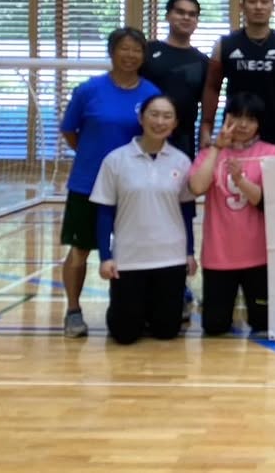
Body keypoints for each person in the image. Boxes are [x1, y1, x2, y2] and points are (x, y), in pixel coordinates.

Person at [59, 27, 161, 338]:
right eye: (124, 48)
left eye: (137, 50)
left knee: (138, 250)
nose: (130, 55)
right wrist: (95, 158)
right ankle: (73, 311)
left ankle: (136, 309)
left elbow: (156, 134)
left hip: (134, 186)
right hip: (88, 184)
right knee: (80, 250)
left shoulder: (151, 94)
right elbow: (70, 131)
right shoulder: (88, 90)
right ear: (112, 52)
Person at [90, 95, 197, 345]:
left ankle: (158, 308)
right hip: (130, 258)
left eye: (167, 116)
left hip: (170, 257)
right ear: (141, 118)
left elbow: (187, 211)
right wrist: (105, 257)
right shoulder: (116, 160)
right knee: (124, 334)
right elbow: (104, 212)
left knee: (167, 331)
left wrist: (189, 253)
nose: (160, 121)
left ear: (175, 123)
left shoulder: (181, 161)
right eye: (154, 114)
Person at [189, 92, 275, 337]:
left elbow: (268, 201)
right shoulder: (210, 154)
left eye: (250, 119)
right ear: (226, 118)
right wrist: (217, 148)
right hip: (219, 255)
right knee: (214, 327)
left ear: (259, 123)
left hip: (259, 256)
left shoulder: (272, 153)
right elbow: (197, 187)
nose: (243, 125)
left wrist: (240, 180)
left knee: (263, 325)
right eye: (237, 117)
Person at [200, 0, 275, 150]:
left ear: (272, 7)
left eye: (264, 1)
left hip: (273, 130)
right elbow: (212, 87)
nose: (258, 7)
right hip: (234, 130)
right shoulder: (224, 44)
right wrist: (206, 127)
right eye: (252, 1)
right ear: (242, 7)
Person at [140, 0, 209, 160]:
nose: (186, 17)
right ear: (168, 16)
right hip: (145, 134)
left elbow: (206, 105)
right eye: (180, 12)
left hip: (183, 140)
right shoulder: (148, 51)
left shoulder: (202, 61)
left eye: (192, 14)